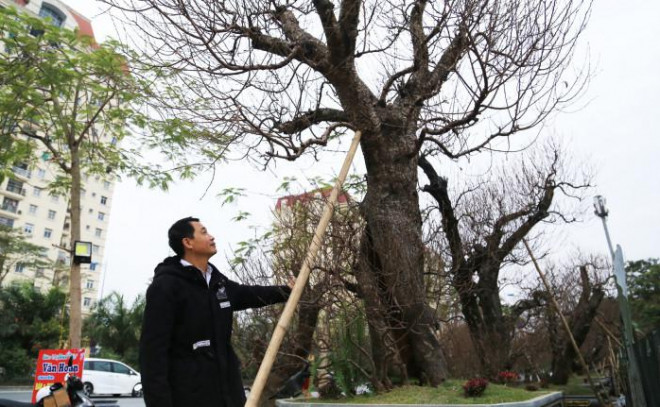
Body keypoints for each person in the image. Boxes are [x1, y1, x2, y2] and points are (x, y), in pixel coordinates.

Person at [139, 217, 293, 407]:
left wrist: (286, 290)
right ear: (188, 243)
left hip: (227, 393)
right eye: (203, 232)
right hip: (188, 396)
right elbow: (152, 355)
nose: (211, 237)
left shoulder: (218, 282)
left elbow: (251, 294)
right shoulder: (167, 286)